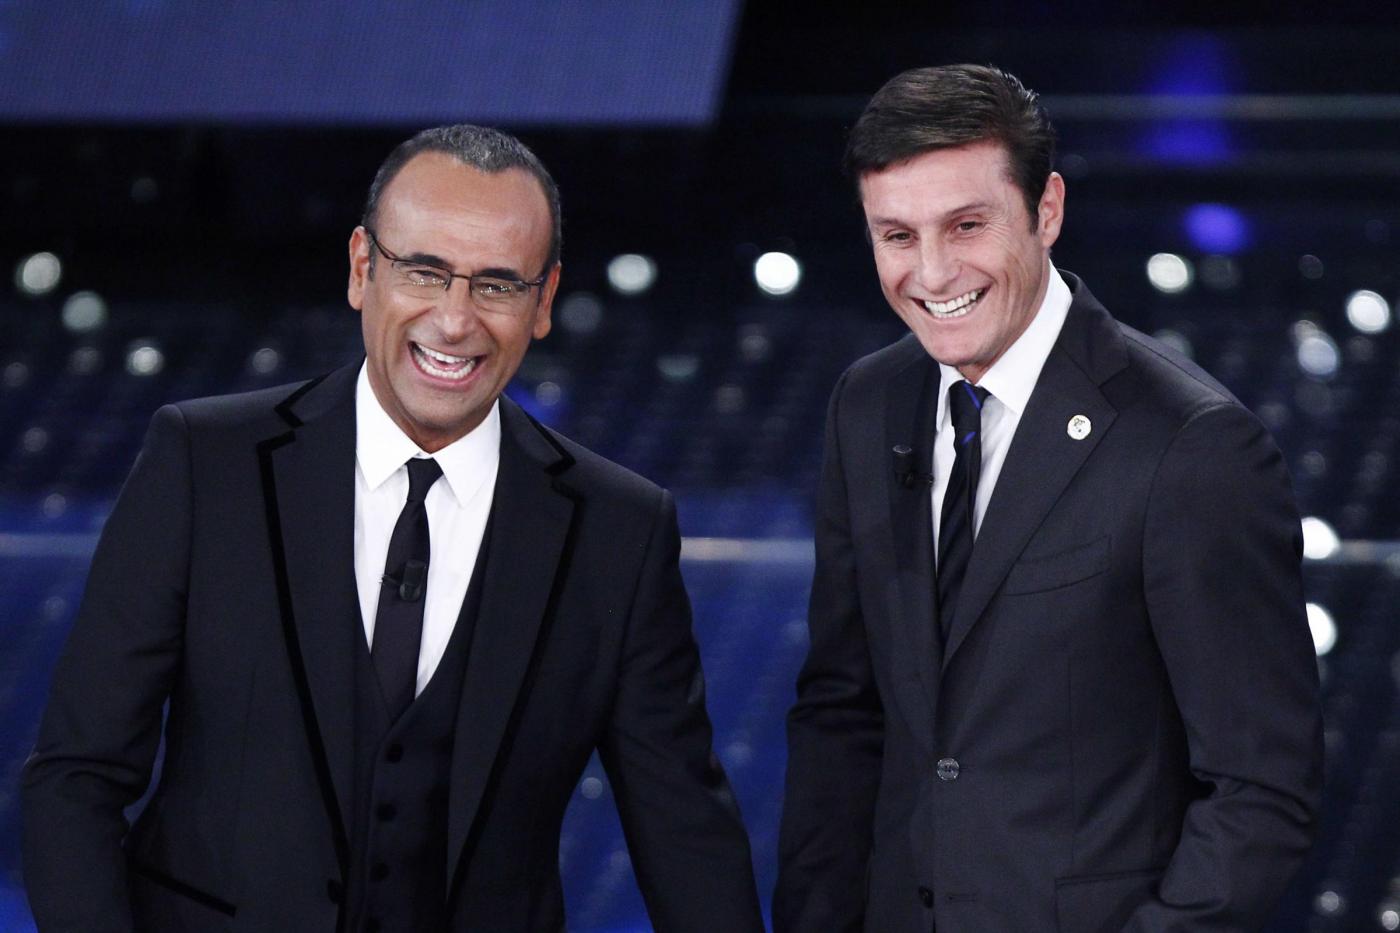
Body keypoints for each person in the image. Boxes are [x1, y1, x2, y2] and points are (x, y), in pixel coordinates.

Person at [23, 124, 764, 933]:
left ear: (544, 300)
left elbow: (686, 837)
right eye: (424, 272)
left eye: (497, 284)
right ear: (361, 268)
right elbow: (77, 778)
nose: (454, 320)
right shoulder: (205, 463)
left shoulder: (621, 530)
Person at [774, 65, 1322, 932]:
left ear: (1048, 209)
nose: (932, 272)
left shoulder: (1192, 445)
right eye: (897, 235)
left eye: (967, 225)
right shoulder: (867, 403)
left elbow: (1261, 790)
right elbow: (843, 711)